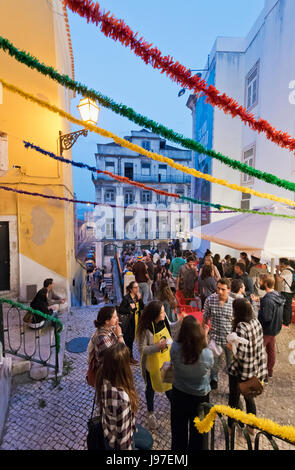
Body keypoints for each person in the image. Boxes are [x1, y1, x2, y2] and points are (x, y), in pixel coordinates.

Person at [96, 343, 153, 450]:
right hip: (117, 442)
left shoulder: (102, 374)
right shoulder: (122, 399)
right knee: (148, 444)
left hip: (109, 428)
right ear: (124, 368)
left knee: (148, 441)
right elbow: (124, 443)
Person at [136, 300, 183, 429]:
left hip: (166, 360)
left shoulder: (164, 319)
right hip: (150, 366)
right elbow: (141, 349)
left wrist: (179, 322)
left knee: (169, 386)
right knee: (150, 388)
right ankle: (150, 413)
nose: (164, 314)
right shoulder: (145, 329)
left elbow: (171, 328)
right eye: (161, 312)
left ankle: (176, 408)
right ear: (154, 314)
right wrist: (156, 347)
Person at [170, 316, 213, 451]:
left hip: (179, 393)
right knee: (198, 434)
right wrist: (204, 337)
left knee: (178, 431)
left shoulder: (175, 348)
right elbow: (209, 365)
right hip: (200, 396)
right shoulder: (206, 354)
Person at [227, 298, 268, 434]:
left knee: (233, 398)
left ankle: (230, 427)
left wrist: (230, 347)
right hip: (254, 368)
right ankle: (251, 427)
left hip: (241, 371)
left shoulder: (241, 326)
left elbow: (241, 354)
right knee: (249, 398)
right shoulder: (256, 322)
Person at [203, 278, 233, 390]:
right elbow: (205, 317)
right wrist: (204, 334)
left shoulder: (234, 303)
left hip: (229, 339)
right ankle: (213, 380)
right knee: (214, 362)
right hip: (215, 337)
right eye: (218, 288)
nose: (219, 291)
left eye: (223, 289)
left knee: (231, 365)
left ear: (229, 290)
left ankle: (232, 385)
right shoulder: (210, 300)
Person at [258, 275, 284, 381]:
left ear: (266, 283)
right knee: (271, 351)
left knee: (258, 352)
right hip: (275, 328)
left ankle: (263, 375)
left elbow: (266, 317)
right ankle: (269, 371)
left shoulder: (268, 300)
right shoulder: (277, 295)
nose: (259, 283)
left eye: (260, 281)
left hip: (266, 330)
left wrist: (259, 314)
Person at [87, 306, 124, 372]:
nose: (117, 318)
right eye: (114, 317)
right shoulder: (103, 338)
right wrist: (120, 336)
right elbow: (120, 356)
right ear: (107, 321)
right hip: (108, 374)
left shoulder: (110, 329)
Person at [119, 281, 144, 365]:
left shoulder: (137, 297)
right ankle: (129, 358)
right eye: (135, 287)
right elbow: (121, 310)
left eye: (138, 287)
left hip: (136, 321)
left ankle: (129, 357)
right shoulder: (126, 298)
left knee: (132, 339)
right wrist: (130, 308)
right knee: (128, 340)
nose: (137, 289)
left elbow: (142, 307)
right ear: (131, 289)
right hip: (128, 322)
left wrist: (140, 299)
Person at [276, 258, 294, 328]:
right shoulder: (292, 270)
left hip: (285, 291)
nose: (279, 264)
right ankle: (288, 322)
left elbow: (279, 279)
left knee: (285, 307)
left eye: (280, 263)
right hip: (291, 290)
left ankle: (285, 323)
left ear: (283, 263)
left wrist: (277, 271)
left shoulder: (286, 271)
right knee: (288, 307)